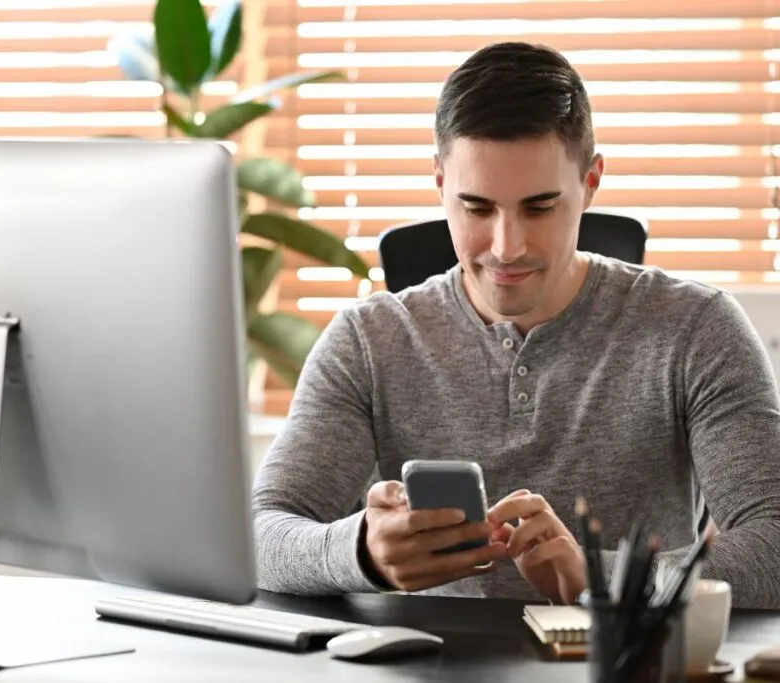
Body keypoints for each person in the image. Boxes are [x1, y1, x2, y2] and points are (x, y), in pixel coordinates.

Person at [250, 41, 780, 609]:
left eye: (540, 207)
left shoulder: (695, 328)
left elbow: (773, 544)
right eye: (477, 208)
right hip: (425, 666)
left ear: (591, 182)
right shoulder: (367, 340)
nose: (507, 247)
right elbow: (259, 534)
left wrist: (600, 579)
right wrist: (360, 551)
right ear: (439, 183)